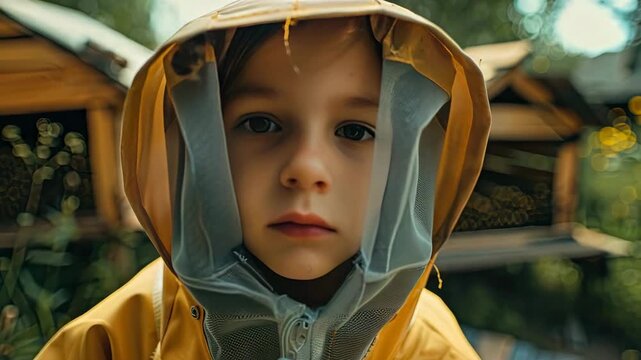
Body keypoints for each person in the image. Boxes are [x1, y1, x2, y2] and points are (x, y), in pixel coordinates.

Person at [36, 0, 491, 359]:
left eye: (355, 131)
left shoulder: (435, 351)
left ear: (409, 161)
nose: (306, 169)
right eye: (260, 124)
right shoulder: (109, 345)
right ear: (199, 141)